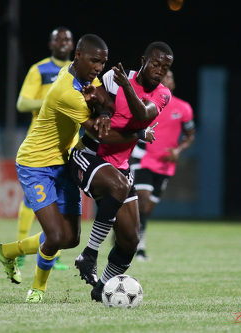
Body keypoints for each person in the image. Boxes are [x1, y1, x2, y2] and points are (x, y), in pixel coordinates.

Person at [0, 34, 111, 303]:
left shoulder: (90, 80)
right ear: (78, 56)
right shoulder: (65, 90)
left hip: (63, 162)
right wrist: (108, 114)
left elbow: (105, 105)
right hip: (36, 163)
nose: (98, 68)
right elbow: (98, 131)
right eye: (94, 61)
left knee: (71, 238)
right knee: (55, 236)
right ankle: (37, 289)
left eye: (102, 63)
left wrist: (104, 110)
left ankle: (7, 251)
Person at [71, 41, 174, 301]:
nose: (160, 69)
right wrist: (101, 107)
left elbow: (142, 116)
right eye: (156, 63)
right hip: (90, 155)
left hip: (119, 166)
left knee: (130, 239)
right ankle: (89, 254)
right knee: (117, 186)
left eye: (166, 66)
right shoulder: (112, 77)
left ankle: (101, 288)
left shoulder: (162, 94)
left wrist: (127, 89)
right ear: (143, 60)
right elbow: (97, 103)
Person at [15, 26, 74, 272]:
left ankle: (54, 252)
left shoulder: (76, 72)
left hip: (68, 148)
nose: (62, 42)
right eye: (57, 39)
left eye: (67, 39)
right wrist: (51, 102)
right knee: (33, 201)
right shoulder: (39, 70)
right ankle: (19, 251)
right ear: (50, 45)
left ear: (73, 46)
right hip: (40, 146)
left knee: (60, 204)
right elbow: (22, 103)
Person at [130, 70, 195, 261]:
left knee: (147, 208)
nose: (167, 80)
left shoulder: (183, 108)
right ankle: (139, 248)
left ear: (173, 84)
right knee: (142, 200)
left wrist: (178, 150)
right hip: (142, 157)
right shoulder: (146, 103)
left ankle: (125, 228)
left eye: (170, 78)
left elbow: (190, 135)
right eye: (163, 77)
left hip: (165, 165)